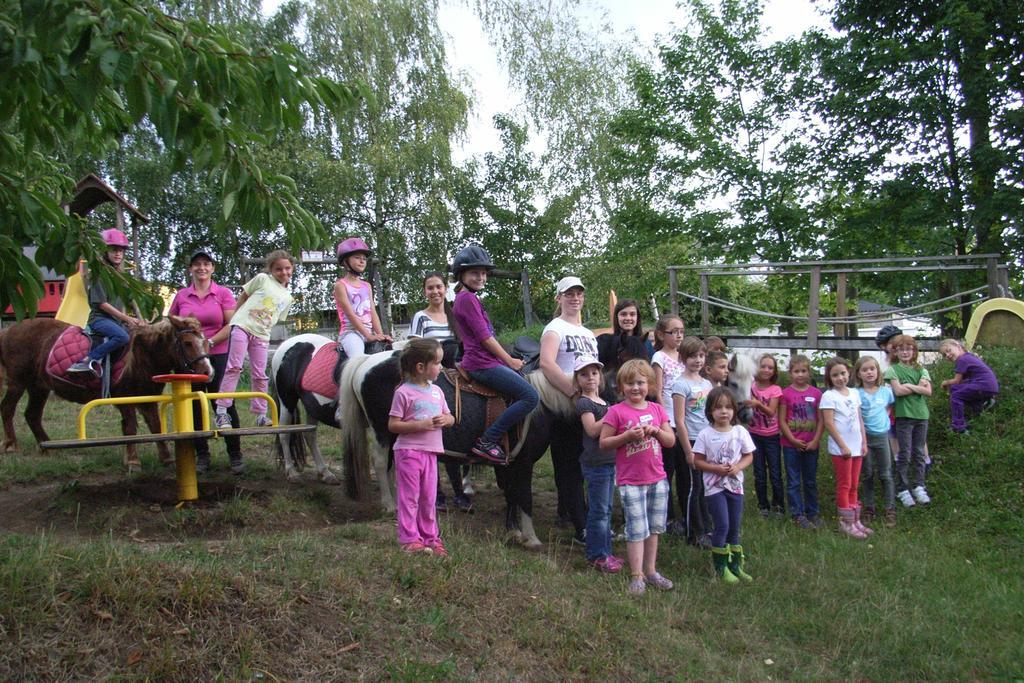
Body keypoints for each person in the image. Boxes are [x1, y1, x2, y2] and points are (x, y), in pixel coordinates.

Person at [450, 244, 538, 465]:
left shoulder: (468, 297)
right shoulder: (467, 299)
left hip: (486, 360)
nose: (481, 277)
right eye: (474, 273)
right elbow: (485, 339)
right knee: (530, 396)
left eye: (483, 273)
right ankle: (487, 441)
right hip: (481, 363)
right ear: (461, 274)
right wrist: (509, 361)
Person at [599, 359, 676, 595]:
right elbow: (604, 443)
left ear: (649, 385)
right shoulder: (616, 411)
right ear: (621, 387)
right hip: (631, 481)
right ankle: (636, 575)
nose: (635, 388)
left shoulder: (656, 410)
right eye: (630, 383)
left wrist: (657, 432)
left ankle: (651, 571)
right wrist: (626, 437)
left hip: (657, 479)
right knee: (636, 529)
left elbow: (670, 441)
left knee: (654, 528)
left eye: (640, 383)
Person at [211, 250, 294, 460]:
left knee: (260, 373)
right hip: (242, 326)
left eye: (287, 268)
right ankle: (222, 412)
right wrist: (235, 319)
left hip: (262, 334)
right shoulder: (262, 279)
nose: (283, 272)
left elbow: (275, 316)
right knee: (234, 367)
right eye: (278, 269)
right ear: (271, 270)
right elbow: (244, 296)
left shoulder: (288, 297)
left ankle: (260, 413)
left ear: (291, 269)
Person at [168, 249, 241, 474]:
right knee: (193, 405)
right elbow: (172, 323)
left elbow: (232, 324)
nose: (202, 268)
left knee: (223, 403)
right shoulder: (182, 296)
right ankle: (202, 455)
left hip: (217, 352)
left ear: (212, 268)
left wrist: (209, 341)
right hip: (190, 358)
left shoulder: (223, 293)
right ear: (190, 268)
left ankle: (235, 453)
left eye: (206, 264)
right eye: (197, 264)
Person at [540, 275, 599, 544]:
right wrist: (574, 394)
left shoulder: (588, 334)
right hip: (567, 407)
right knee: (570, 466)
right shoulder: (555, 328)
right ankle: (581, 525)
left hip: (591, 404)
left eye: (579, 293)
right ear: (559, 298)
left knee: (594, 463)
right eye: (569, 293)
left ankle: (592, 518)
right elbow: (548, 364)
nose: (575, 298)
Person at [407, 271, 472, 512]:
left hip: (456, 377)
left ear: (446, 289)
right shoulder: (421, 318)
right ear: (425, 291)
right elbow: (414, 348)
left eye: (439, 287)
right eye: (430, 288)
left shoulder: (454, 316)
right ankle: (436, 492)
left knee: (454, 431)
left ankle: (459, 489)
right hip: (432, 379)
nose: (435, 292)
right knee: (432, 436)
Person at [387, 338, 454, 556]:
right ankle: (409, 539)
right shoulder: (403, 393)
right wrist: (421, 425)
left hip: (431, 454)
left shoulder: (437, 392)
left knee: (428, 498)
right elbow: (393, 425)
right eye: (437, 363)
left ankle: (431, 538)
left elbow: (450, 416)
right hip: (408, 452)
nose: (441, 367)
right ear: (420, 367)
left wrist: (447, 420)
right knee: (409, 497)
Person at [692, 386, 755, 583]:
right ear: (710, 411)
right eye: (719, 408)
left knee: (734, 526)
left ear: (734, 410)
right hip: (714, 488)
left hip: (735, 487)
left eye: (728, 407)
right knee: (722, 525)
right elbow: (697, 461)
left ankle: (736, 565)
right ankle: (721, 567)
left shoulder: (740, 432)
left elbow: (748, 455)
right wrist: (715, 469)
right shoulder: (705, 434)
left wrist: (737, 467)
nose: (724, 411)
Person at [69, 229, 145, 376]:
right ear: (105, 251)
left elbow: (131, 300)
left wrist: (141, 319)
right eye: (113, 250)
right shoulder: (98, 274)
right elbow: (102, 304)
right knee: (122, 337)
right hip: (100, 319)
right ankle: (88, 360)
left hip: (115, 321)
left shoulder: (120, 277)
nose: (118, 254)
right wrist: (128, 318)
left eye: (121, 251)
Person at [575, 355, 622, 573]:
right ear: (577, 380)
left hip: (610, 461)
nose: (590, 378)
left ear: (600, 376)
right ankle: (596, 555)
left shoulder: (605, 402)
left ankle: (607, 552)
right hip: (596, 464)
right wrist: (614, 415)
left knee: (607, 509)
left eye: (594, 373)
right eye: (584, 374)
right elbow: (592, 430)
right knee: (598, 511)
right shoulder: (584, 403)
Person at [671, 336, 714, 547]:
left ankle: (706, 527)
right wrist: (688, 450)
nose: (697, 360)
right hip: (690, 440)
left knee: (705, 486)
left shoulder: (706, 383)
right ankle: (693, 531)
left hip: (706, 440)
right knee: (692, 488)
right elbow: (679, 420)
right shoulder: (680, 384)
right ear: (683, 358)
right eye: (692, 356)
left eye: (701, 356)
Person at [821, 356, 869, 539]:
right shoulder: (829, 396)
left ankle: (856, 519)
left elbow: (859, 419)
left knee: (855, 484)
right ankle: (845, 522)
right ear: (829, 378)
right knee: (845, 484)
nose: (840, 378)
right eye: (835, 375)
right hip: (842, 449)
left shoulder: (854, 393)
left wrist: (864, 442)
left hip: (857, 446)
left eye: (842, 373)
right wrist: (843, 446)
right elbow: (829, 423)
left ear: (848, 373)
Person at [884, 334, 932, 508]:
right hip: (904, 415)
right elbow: (898, 391)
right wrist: (917, 387)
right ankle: (902, 488)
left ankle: (919, 485)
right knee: (904, 453)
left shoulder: (921, 369)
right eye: (901, 349)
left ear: (914, 351)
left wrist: (909, 386)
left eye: (908, 349)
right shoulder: (892, 370)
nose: (905, 352)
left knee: (919, 452)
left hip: (921, 415)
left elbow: (928, 391)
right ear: (895, 352)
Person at [778, 354, 824, 529]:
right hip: (791, 445)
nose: (800, 374)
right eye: (796, 371)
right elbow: (782, 420)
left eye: (803, 371)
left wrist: (816, 440)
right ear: (790, 373)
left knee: (810, 480)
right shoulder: (785, 394)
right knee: (793, 480)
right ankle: (797, 514)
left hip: (811, 444)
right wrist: (792, 439)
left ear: (809, 372)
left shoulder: (817, 393)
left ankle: (813, 512)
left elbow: (821, 420)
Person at [650, 315, 686, 528]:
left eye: (682, 331)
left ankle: (686, 511)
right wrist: (664, 421)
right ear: (662, 335)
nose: (679, 335)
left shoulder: (684, 356)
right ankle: (668, 516)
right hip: (670, 421)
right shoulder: (659, 357)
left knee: (685, 468)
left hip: (686, 420)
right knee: (668, 469)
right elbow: (659, 391)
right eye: (674, 331)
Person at [854, 356, 896, 527]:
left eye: (872, 368)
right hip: (865, 439)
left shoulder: (886, 392)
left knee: (886, 474)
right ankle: (869, 508)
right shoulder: (856, 393)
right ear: (858, 374)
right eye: (865, 370)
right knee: (868, 474)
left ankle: (890, 509)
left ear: (878, 371)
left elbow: (890, 405)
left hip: (882, 438)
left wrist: (885, 417)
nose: (869, 372)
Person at [334, 237, 391, 359]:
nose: (362, 261)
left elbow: (372, 313)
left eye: (364, 259)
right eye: (357, 258)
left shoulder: (367, 286)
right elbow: (351, 315)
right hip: (351, 333)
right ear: (345, 261)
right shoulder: (341, 286)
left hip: (368, 332)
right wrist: (369, 336)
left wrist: (380, 335)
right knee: (358, 358)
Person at [747, 353, 784, 517]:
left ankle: (779, 505)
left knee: (775, 472)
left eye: (770, 367)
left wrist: (757, 404)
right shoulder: (751, 386)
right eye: (763, 366)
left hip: (772, 436)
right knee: (759, 473)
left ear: (774, 371)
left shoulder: (775, 389)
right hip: (754, 435)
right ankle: (763, 505)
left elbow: (771, 412)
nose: (766, 370)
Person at [938, 339, 999, 435]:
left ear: (957, 346)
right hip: (989, 386)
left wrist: (945, 383)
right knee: (955, 389)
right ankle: (982, 403)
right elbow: (960, 382)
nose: (948, 355)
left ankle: (958, 427)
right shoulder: (968, 357)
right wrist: (951, 387)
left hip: (983, 385)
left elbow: (957, 380)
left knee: (956, 396)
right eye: (945, 355)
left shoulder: (962, 359)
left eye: (949, 350)